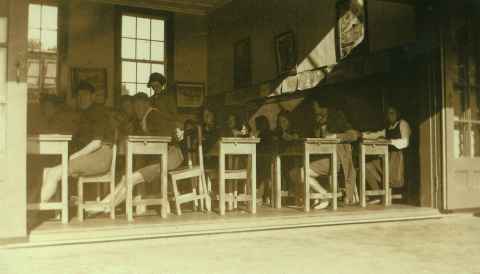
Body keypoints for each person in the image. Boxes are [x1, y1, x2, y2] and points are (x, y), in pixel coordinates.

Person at [95, 92, 184, 212]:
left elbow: (169, 133)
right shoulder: (142, 119)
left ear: (147, 104)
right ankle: (103, 206)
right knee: (127, 178)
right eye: (135, 108)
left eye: (140, 107)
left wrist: (177, 132)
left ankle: (103, 207)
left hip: (171, 158)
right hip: (159, 161)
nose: (137, 110)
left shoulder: (154, 115)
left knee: (128, 179)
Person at [40, 81, 115, 202]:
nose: (81, 98)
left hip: (100, 157)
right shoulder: (83, 114)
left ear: (93, 96)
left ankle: (34, 212)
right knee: (47, 170)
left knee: (53, 173)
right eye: (79, 95)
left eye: (85, 95)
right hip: (90, 156)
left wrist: (75, 156)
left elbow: (97, 142)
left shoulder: (98, 112)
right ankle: (54, 208)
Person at [289, 100, 359, 209]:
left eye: (315, 107)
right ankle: (320, 196)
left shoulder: (337, 118)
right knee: (294, 173)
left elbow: (354, 135)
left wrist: (336, 136)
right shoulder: (318, 122)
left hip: (336, 160)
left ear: (324, 107)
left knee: (302, 173)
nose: (314, 110)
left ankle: (324, 196)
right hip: (321, 159)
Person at [362, 106, 411, 199]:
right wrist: (363, 134)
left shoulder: (403, 124)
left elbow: (405, 142)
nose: (390, 116)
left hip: (398, 157)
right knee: (367, 167)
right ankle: (379, 194)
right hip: (387, 157)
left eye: (392, 113)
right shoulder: (388, 127)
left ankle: (386, 192)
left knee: (393, 177)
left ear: (398, 114)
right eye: (388, 114)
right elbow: (377, 134)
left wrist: (389, 142)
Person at [254, 115, 274, 203]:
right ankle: (268, 196)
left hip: (263, 159)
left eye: (256, 124)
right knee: (266, 176)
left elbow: (257, 147)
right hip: (269, 159)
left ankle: (259, 196)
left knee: (262, 175)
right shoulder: (269, 133)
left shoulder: (261, 133)